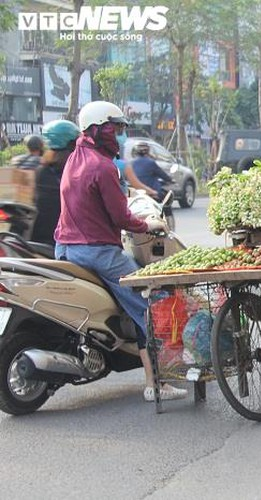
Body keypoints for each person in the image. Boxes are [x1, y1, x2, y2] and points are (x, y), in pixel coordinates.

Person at [54, 100, 187, 402]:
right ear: (100, 129)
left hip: (65, 247)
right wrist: (149, 224)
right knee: (149, 302)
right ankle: (157, 384)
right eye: (116, 129)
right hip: (97, 251)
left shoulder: (75, 159)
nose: (120, 136)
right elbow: (121, 217)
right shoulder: (103, 167)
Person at [31, 120, 80, 245]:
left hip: (37, 239)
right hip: (65, 241)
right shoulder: (75, 171)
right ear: (72, 144)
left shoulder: (41, 170)